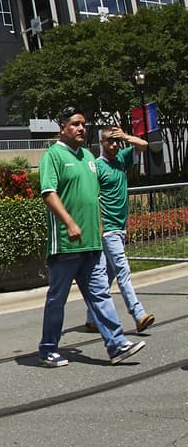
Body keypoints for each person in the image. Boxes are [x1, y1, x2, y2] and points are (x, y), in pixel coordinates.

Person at [37, 108, 146, 367]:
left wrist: (99, 229)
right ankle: (48, 348)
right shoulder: (53, 156)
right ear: (62, 127)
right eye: (75, 124)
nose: (80, 129)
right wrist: (71, 224)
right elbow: (48, 193)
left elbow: (94, 198)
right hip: (66, 244)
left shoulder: (88, 157)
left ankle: (117, 344)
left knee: (100, 295)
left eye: (83, 124)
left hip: (93, 243)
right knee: (57, 299)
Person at [89, 125, 153, 332]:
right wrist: (98, 228)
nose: (115, 144)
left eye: (117, 141)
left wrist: (125, 136)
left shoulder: (122, 159)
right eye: (110, 140)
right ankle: (138, 313)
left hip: (120, 227)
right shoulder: (97, 167)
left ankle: (92, 317)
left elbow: (144, 145)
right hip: (107, 229)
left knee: (108, 275)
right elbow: (92, 199)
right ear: (102, 143)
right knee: (123, 270)